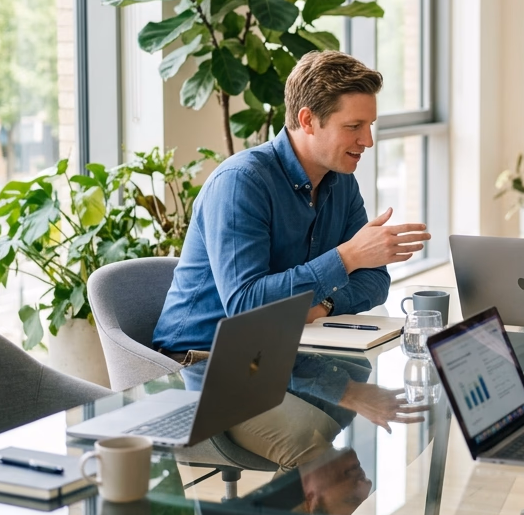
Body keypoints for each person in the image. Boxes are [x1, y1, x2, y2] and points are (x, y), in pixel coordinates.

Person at [154, 50, 432, 469]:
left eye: (369, 125)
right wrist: (347, 256)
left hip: (279, 354)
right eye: (353, 126)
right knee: (313, 438)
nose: (368, 141)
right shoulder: (241, 183)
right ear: (306, 121)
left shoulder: (340, 183)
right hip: (203, 364)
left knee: (376, 408)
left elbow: (376, 283)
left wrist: (320, 306)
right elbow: (247, 306)